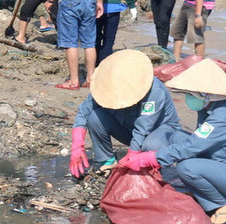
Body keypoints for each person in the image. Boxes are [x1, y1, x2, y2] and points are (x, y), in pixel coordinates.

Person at [133, 59, 226, 224]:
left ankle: (222, 204)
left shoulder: (223, 117)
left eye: (191, 94)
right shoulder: (209, 108)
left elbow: (191, 147)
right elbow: (195, 142)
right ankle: (202, 190)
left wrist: (152, 158)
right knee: (176, 137)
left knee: (187, 167)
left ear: (206, 94)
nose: (189, 98)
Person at [69, 49, 181, 178]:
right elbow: (83, 112)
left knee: (151, 145)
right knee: (94, 116)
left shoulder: (154, 91)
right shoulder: (106, 85)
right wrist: (77, 147)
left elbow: (143, 127)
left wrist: (132, 154)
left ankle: (151, 167)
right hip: (128, 128)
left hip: (158, 132)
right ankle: (107, 160)